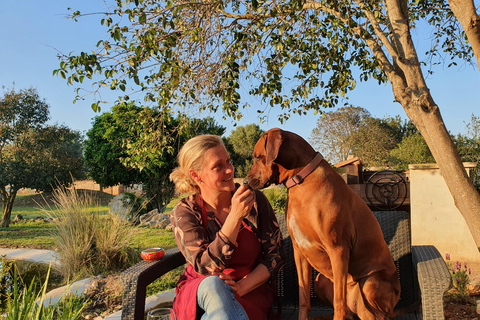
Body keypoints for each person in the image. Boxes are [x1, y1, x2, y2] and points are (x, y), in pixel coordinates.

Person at [169, 134, 285, 320]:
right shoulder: (186, 212)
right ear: (195, 175)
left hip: (250, 290)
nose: (230, 170)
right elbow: (204, 267)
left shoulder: (255, 202)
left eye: (228, 161)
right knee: (214, 284)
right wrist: (235, 217)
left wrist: (242, 286)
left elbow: (276, 256)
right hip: (203, 292)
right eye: (218, 166)